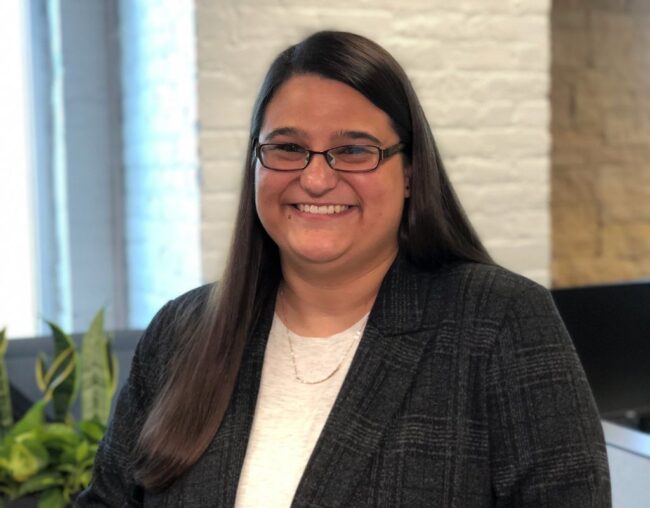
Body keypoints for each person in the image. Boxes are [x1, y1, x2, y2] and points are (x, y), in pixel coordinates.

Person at [76, 31, 610, 507]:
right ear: (256, 162)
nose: (315, 179)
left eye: (354, 150)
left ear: (409, 172)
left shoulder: (499, 321)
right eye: (288, 147)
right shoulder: (183, 330)